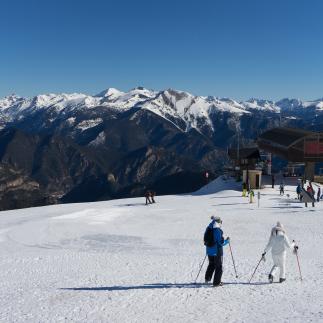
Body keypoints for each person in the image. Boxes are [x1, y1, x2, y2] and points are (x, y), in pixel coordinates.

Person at [204, 216, 230, 287]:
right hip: (217, 251)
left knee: (211, 264)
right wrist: (227, 241)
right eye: (220, 221)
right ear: (218, 222)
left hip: (209, 251)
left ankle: (207, 278)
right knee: (219, 267)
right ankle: (216, 282)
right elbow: (220, 242)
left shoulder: (209, 228)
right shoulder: (217, 230)